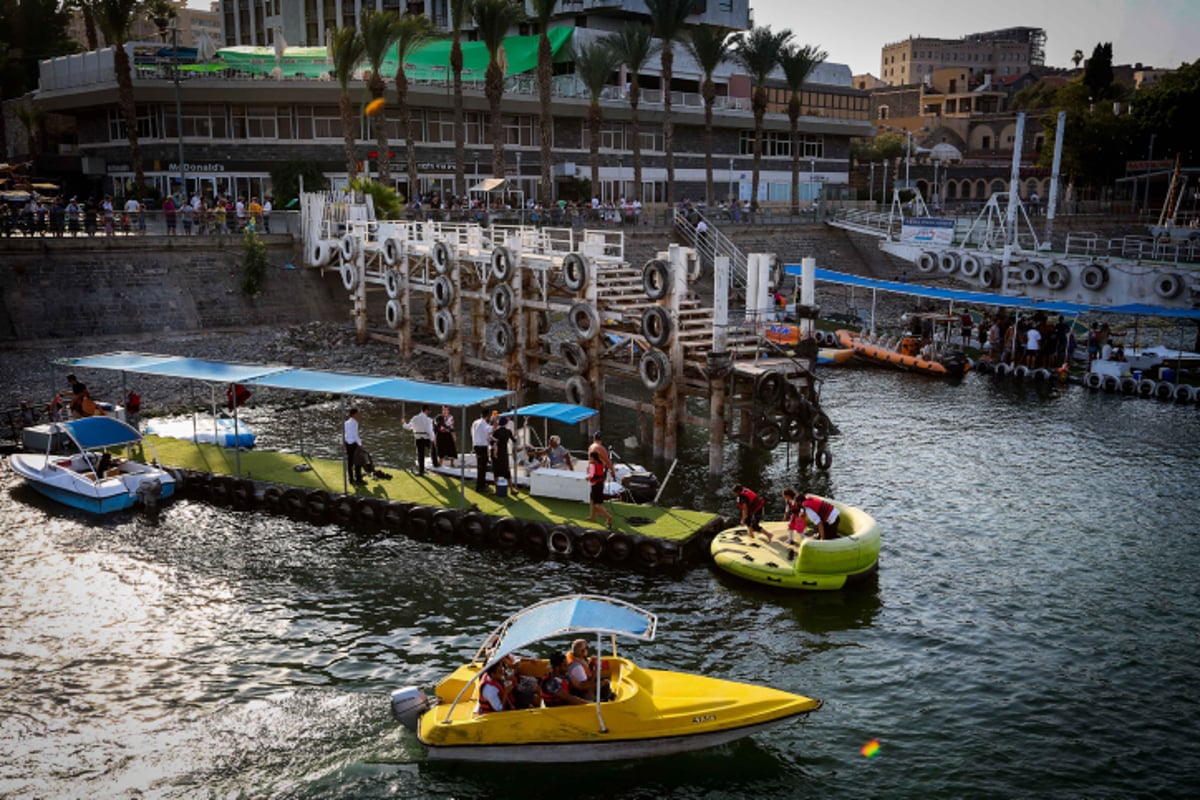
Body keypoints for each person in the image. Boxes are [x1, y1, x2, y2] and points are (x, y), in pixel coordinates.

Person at [404, 405, 435, 476]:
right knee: (433, 450)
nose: (429, 412)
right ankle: (435, 463)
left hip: (418, 439)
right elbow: (430, 431)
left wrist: (403, 423)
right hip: (426, 438)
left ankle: (421, 471)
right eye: (429, 411)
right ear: (426, 410)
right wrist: (433, 439)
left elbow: (408, 427)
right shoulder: (428, 420)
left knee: (420, 455)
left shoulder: (414, 418)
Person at [585, 450, 613, 525]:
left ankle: (609, 517)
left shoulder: (592, 465)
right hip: (600, 484)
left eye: (589, 457)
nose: (589, 458)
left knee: (597, 504)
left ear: (592, 458)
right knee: (592, 501)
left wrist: (586, 477)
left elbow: (591, 475)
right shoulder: (600, 463)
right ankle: (592, 516)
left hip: (596, 486)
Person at [490, 417, 515, 493]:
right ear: (506, 423)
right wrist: (516, 435)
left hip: (496, 453)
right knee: (506, 471)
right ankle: (511, 489)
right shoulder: (508, 431)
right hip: (504, 452)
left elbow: (491, 443)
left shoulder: (496, 432)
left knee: (496, 471)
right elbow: (514, 440)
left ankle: (496, 489)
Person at [471, 408, 492, 493]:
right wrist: (495, 423)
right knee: (482, 467)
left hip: (476, 445)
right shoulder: (483, 423)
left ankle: (481, 483)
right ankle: (480, 487)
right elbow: (490, 430)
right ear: (487, 416)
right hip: (482, 446)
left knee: (481, 466)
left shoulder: (475, 422)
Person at [344, 408, 365, 484]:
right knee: (358, 461)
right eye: (357, 413)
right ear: (353, 414)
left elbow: (344, 433)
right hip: (353, 444)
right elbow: (355, 435)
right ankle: (358, 479)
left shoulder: (346, 423)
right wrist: (360, 444)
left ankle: (351, 479)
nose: (358, 415)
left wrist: (342, 441)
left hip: (347, 443)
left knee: (350, 461)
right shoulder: (355, 423)